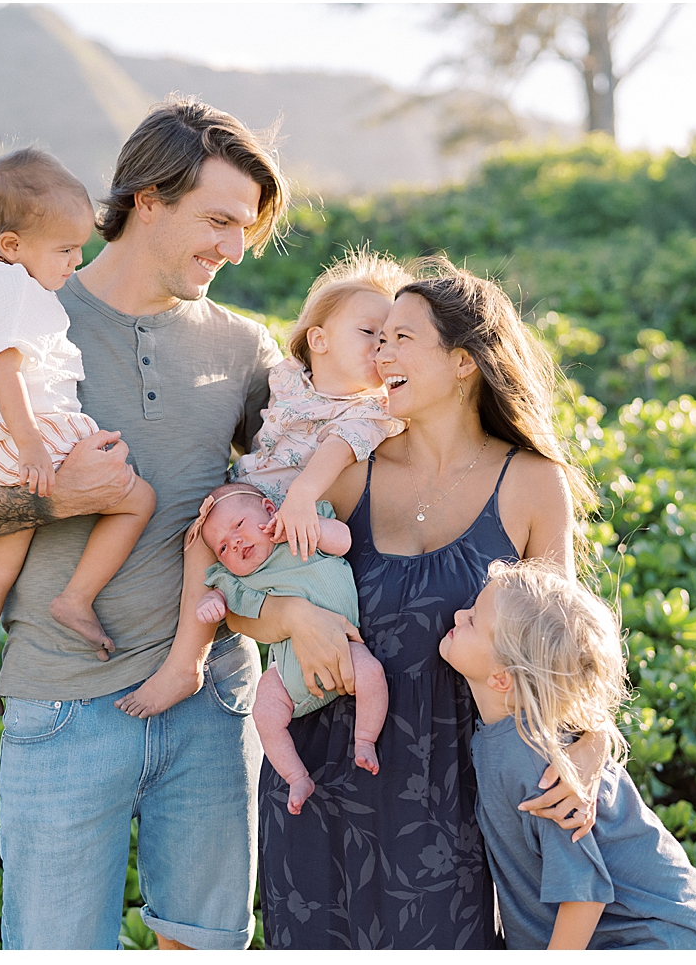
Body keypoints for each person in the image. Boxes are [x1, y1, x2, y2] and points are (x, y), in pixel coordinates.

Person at [0, 96, 292, 950]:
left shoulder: (242, 345)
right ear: (147, 198)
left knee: (206, 943)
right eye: (219, 219)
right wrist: (55, 496)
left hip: (212, 699)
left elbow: (312, 473)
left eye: (246, 230)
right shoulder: (24, 310)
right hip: (60, 707)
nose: (234, 248)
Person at [231, 260, 607, 949]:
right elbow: (237, 588)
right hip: (315, 788)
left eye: (403, 337)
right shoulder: (342, 469)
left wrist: (592, 748)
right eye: (379, 337)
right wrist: (287, 618)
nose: (381, 352)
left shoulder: (530, 483)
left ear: (463, 361)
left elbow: (564, 654)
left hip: (453, 809)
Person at [116, 248, 406, 718]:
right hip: (248, 493)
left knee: (240, 555)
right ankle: (192, 650)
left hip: (289, 506)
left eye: (392, 338)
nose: (381, 347)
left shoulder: (369, 410)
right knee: (202, 535)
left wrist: (302, 497)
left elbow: (338, 446)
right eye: (369, 332)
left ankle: (190, 657)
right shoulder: (289, 379)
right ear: (319, 339)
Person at [0, 147, 156, 714]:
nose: (76, 262)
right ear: (12, 246)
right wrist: (31, 444)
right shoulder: (13, 288)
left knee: (2, 558)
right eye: (65, 249)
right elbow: (4, 366)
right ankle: (75, 597)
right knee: (136, 496)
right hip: (13, 433)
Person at [441, 559, 696, 950]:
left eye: (473, 620)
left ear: (502, 677)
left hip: (663, 940)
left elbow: (585, 893)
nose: (459, 614)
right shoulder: (507, 736)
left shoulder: (536, 762)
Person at [186, 484, 388, 815]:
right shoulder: (239, 580)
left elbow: (343, 541)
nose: (234, 542)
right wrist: (211, 601)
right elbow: (224, 597)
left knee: (371, 673)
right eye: (222, 547)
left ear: (269, 508)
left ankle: (364, 739)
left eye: (238, 525)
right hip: (289, 676)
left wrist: (308, 526)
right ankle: (296, 777)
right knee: (264, 710)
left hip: (344, 650)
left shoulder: (302, 536)